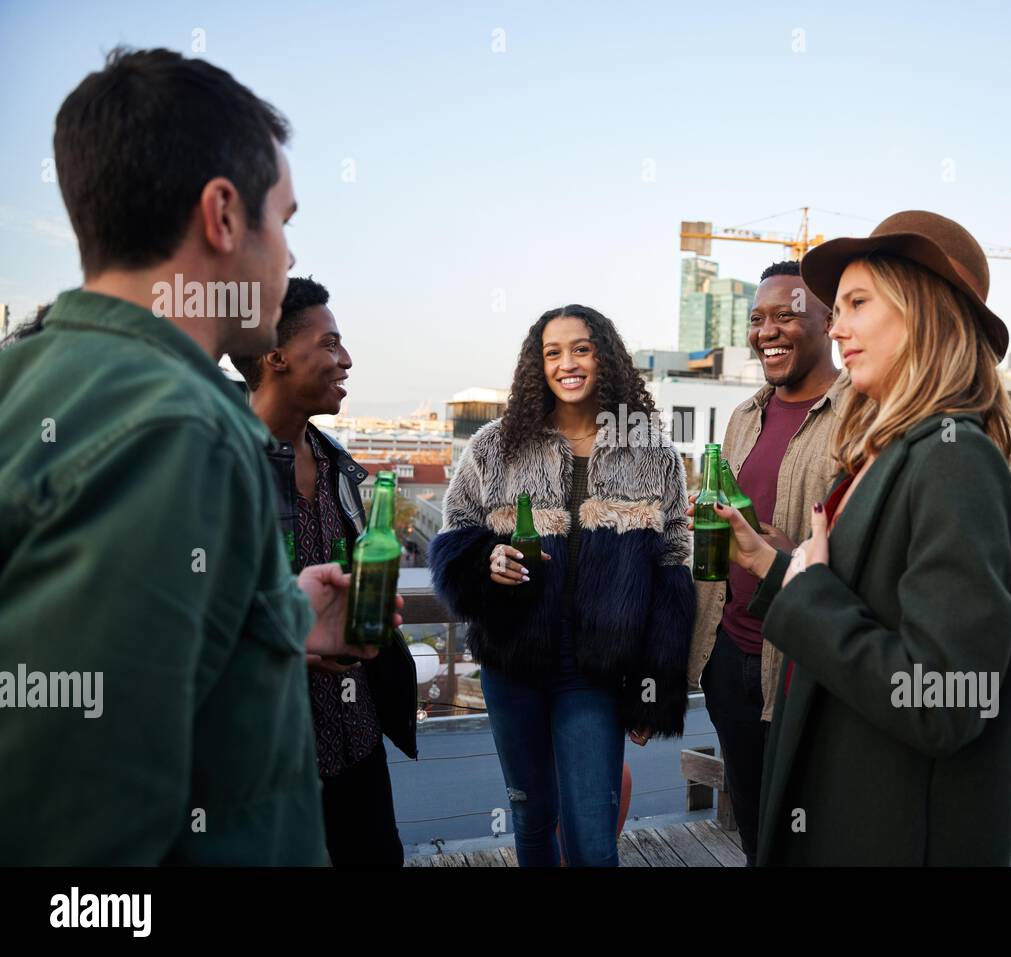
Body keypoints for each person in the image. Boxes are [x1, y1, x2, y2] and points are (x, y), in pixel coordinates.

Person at [0, 48, 395, 865]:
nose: (286, 258)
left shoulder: (27, 375)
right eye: (283, 220)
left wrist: (277, 615)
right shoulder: (181, 432)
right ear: (222, 215)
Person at [719, 210, 1011, 865]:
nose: (836, 327)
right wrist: (771, 568)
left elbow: (945, 700)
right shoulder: (888, 453)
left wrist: (804, 593)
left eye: (857, 303)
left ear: (925, 313)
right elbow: (851, 602)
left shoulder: (955, 461)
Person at [430, 304, 693, 866]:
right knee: (530, 817)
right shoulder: (494, 446)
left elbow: (673, 565)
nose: (567, 363)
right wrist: (485, 563)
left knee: (592, 837)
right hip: (512, 663)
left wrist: (654, 682)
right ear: (537, 364)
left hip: (594, 672)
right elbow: (454, 536)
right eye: (553, 352)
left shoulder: (650, 450)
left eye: (581, 348)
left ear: (606, 357)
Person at [231, 276, 417, 867]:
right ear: (276, 356)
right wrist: (285, 643)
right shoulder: (216, 464)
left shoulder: (341, 465)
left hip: (356, 739)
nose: (347, 359)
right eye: (331, 343)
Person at [686, 261, 850, 865]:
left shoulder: (862, 415)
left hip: (806, 664)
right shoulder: (742, 418)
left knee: (814, 833)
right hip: (730, 656)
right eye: (758, 318)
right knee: (756, 828)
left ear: (829, 321)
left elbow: (860, 554)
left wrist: (781, 553)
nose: (767, 331)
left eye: (787, 314)